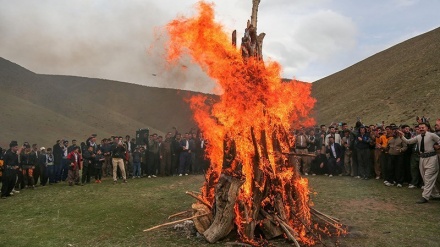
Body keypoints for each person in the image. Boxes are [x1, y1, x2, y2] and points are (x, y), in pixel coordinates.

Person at [398, 122, 440, 203]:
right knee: (425, 178)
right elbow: (408, 141)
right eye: (420, 127)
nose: (421, 129)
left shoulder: (432, 135)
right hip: (422, 158)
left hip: (431, 158)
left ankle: (425, 197)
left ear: (427, 128)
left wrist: (438, 146)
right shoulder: (418, 137)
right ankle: (435, 195)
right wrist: (402, 136)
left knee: (428, 177)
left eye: (423, 127)